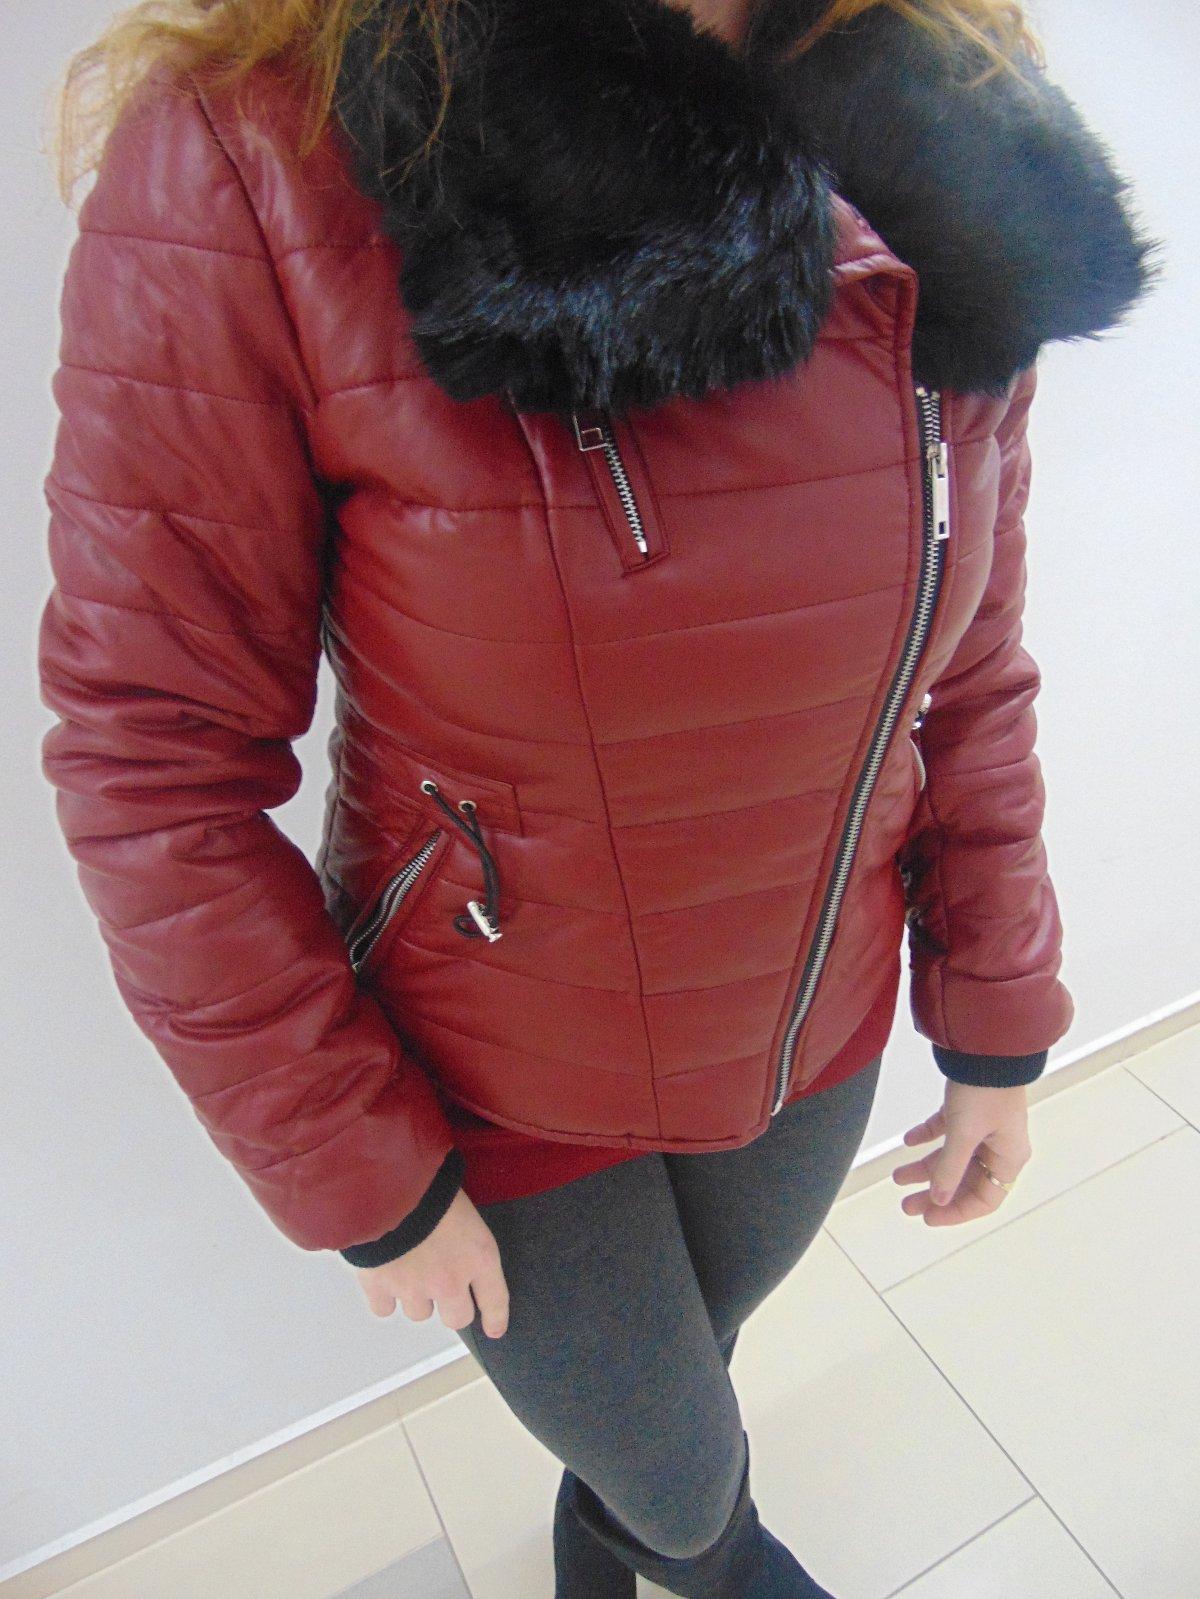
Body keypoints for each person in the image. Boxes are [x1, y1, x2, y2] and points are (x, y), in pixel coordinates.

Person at [38, 0, 1159, 1591]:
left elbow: (968, 662)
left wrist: (996, 1014)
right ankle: (708, 1556)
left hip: (808, 1031)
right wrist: (357, 1166)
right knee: (688, 1486)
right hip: (501, 1077)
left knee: (673, 1396)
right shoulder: (262, 150)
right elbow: (154, 754)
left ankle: (611, 1529)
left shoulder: (950, 102)